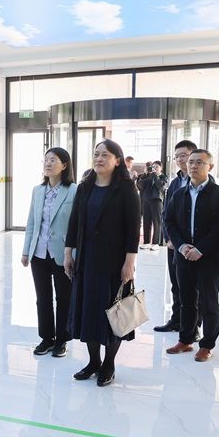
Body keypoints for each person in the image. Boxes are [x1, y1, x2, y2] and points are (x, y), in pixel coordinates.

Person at [64, 139, 140, 387]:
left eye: (105, 155)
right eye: (96, 154)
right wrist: (68, 253)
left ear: (117, 160)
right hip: (86, 260)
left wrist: (129, 262)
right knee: (88, 312)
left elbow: (133, 228)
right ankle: (93, 361)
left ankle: (109, 363)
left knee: (112, 313)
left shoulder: (126, 189)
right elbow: (74, 222)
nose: (99, 158)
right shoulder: (85, 186)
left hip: (114, 262)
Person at [164, 149, 219, 362]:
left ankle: (207, 345)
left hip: (208, 258)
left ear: (210, 166)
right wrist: (181, 246)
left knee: (208, 302)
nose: (193, 165)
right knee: (186, 300)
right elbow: (169, 222)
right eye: (191, 162)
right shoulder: (179, 194)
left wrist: (200, 249)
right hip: (183, 256)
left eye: (199, 162)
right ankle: (186, 339)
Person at [21, 148, 77, 357]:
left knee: (64, 297)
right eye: (46, 160)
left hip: (63, 253)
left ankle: (62, 339)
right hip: (38, 252)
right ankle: (46, 338)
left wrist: (74, 254)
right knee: (42, 298)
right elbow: (31, 223)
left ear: (64, 165)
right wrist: (26, 251)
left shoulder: (73, 190)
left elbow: (77, 226)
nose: (48, 163)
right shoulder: (37, 190)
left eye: (53, 160)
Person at [154, 140, 197, 333]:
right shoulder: (175, 182)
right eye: (177, 156)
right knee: (176, 284)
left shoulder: (205, 181)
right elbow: (166, 213)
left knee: (193, 287)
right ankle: (176, 320)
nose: (180, 159)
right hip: (174, 243)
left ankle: (193, 326)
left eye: (184, 155)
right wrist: (169, 239)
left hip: (193, 246)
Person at [137, 160, 168, 250]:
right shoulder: (148, 176)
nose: (154, 169)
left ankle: (155, 243)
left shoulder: (163, 177)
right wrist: (145, 175)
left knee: (156, 222)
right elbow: (140, 186)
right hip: (146, 201)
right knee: (146, 222)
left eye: (156, 167)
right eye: (153, 167)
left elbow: (161, 187)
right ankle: (146, 242)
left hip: (157, 201)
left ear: (161, 168)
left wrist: (155, 176)